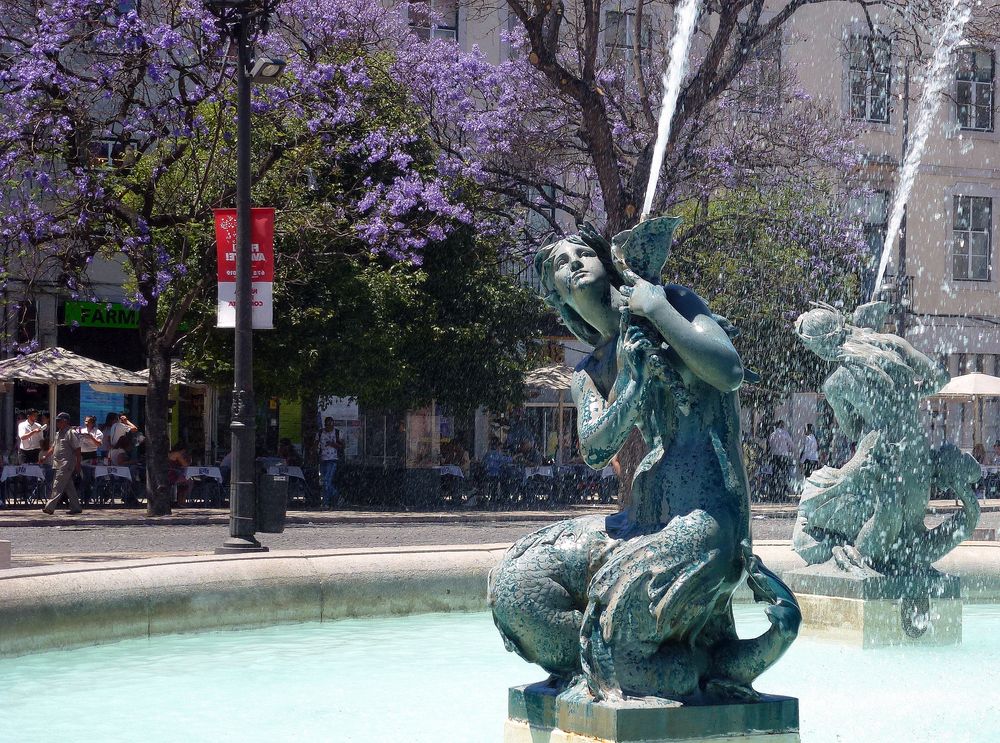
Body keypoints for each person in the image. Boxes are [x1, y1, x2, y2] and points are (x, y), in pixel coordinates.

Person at [489, 222, 798, 702]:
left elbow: (728, 370)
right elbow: (594, 449)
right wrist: (631, 384)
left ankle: (675, 663)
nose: (571, 263)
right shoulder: (590, 370)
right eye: (558, 266)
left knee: (621, 661)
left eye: (581, 254)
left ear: (605, 263)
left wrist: (655, 307)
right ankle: (611, 662)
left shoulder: (672, 301)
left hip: (704, 518)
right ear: (562, 300)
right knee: (518, 583)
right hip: (644, 517)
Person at [41, 412, 82, 515]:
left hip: (66, 463)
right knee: (69, 487)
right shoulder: (58, 433)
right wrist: (46, 456)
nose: (57, 423)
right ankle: (76, 507)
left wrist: (78, 464)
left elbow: (77, 449)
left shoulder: (71, 432)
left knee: (57, 485)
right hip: (58, 463)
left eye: (59, 421)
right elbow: (54, 446)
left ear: (65, 421)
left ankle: (49, 507)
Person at [767, 420, 795, 499]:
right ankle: (783, 492)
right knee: (784, 474)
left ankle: (774, 492)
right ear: (782, 425)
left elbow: (770, 445)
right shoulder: (785, 434)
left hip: (775, 456)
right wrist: (789, 450)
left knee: (775, 474)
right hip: (783, 456)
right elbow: (791, 445)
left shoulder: (772, 434)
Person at [318, 417, 340, 510]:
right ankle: (334, 496)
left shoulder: (337, 432)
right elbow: (316, 444)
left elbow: (342, 446)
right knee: (324, 482)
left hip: (332, 459)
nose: (329, 427)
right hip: (323, 460)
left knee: (327, 481)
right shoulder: (320, 433)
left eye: (331, 425)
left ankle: (327, 501)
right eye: (328, 425)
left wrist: (333, 444)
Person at [167, 442, 192, 507]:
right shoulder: (178, 454)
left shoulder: (170, 453)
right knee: (189, 481)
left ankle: (180, 500)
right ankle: (182, 501)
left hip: (168, 473)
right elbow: (185, 464)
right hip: (172, 475)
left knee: (185, 481)